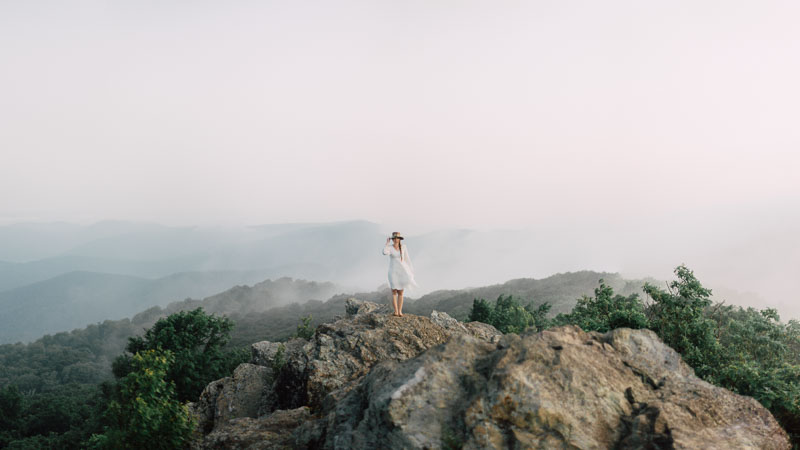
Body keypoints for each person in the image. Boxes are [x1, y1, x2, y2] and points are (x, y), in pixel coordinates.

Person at [382, 231, 418, 317]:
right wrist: (387, 243)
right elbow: (384, 252)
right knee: (394, 291)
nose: (395, 240)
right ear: (392, 239)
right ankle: (396, 311)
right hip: (393, 272)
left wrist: (411, 270)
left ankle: (400, 311)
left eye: (397, 238)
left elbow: (407, 259)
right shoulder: (390, 248)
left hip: (402, 271)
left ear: (399, 239)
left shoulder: (403, 247)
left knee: (401, 292)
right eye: (394, 238)